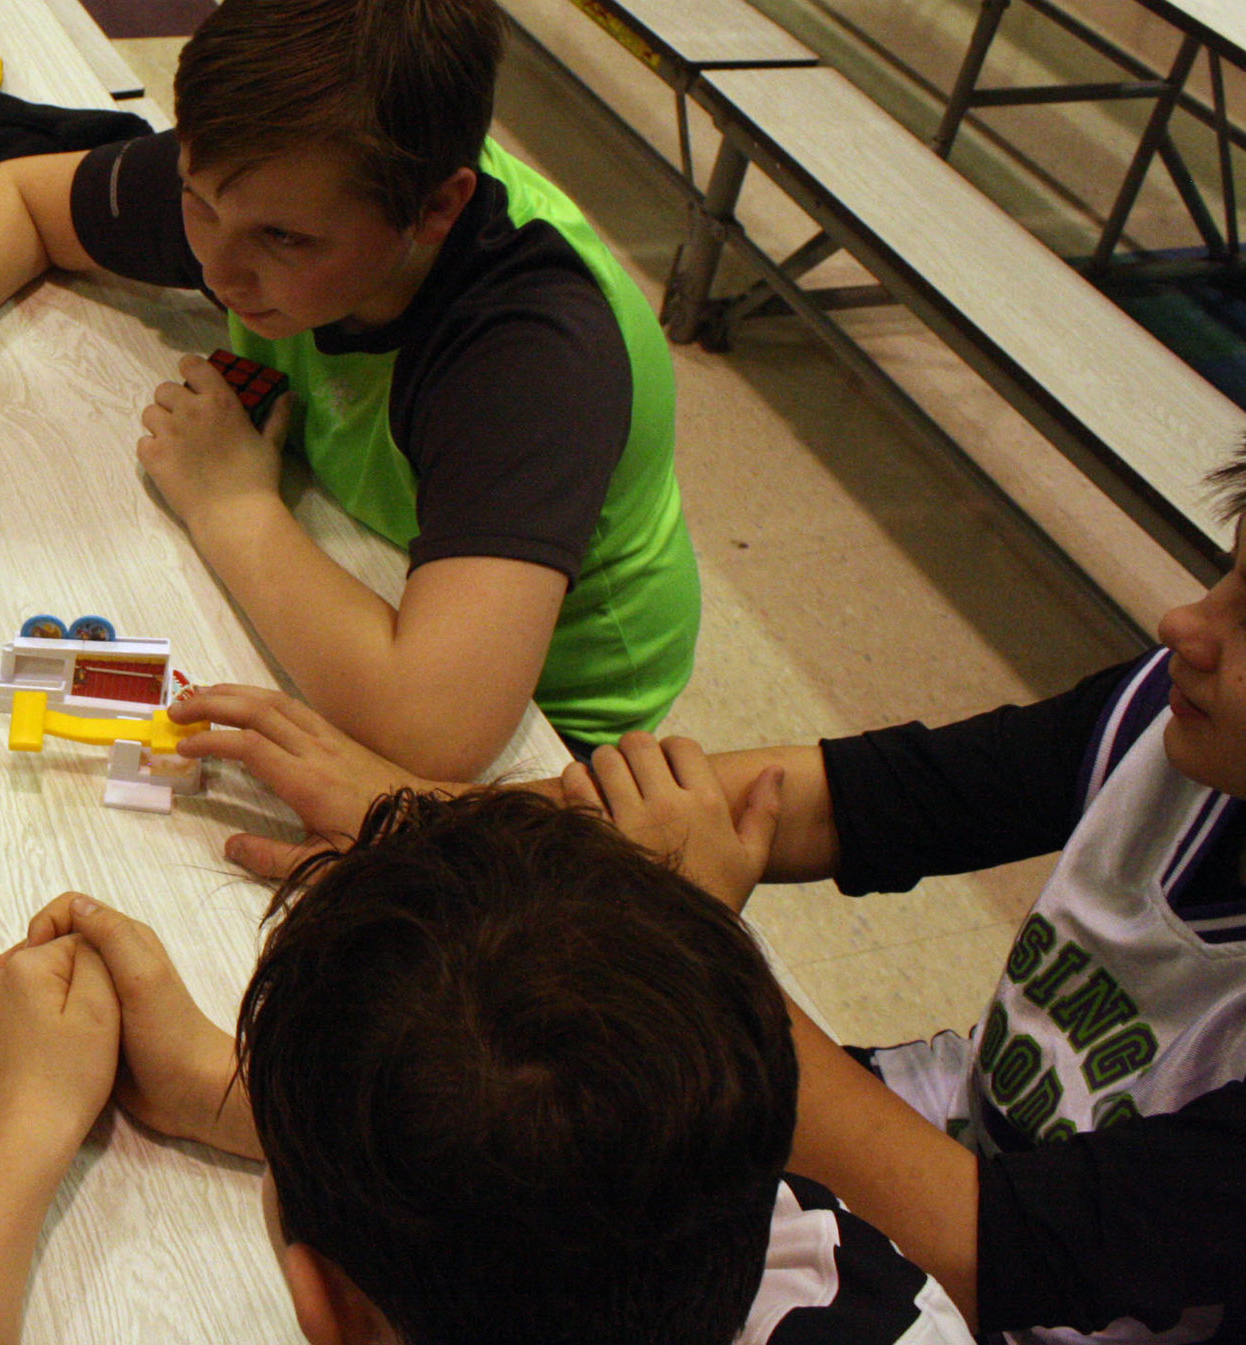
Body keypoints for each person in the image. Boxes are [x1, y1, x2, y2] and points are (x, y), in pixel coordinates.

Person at [177, 444, 1246, 1343]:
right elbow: (846, 796)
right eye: (1226, 575)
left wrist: (679, 929)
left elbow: (998, 1253)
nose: (1183, 624)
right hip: (942, 1140)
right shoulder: (1181, 715)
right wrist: (442, 817)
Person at [0, 0, 698, 779]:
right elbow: (18, 198)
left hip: (558, 728)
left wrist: (230, 503)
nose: (217, 267)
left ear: (437, 210)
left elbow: (439, 730)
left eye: (283, 240)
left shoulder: (532, 353)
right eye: (196, 201)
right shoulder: (275, 174)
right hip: (384, 579)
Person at [0, 785, 971, 1345]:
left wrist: (24, 1127)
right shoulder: (834, 1254)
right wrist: (223, 1094)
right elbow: (560, 1166)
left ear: (326, 1305)